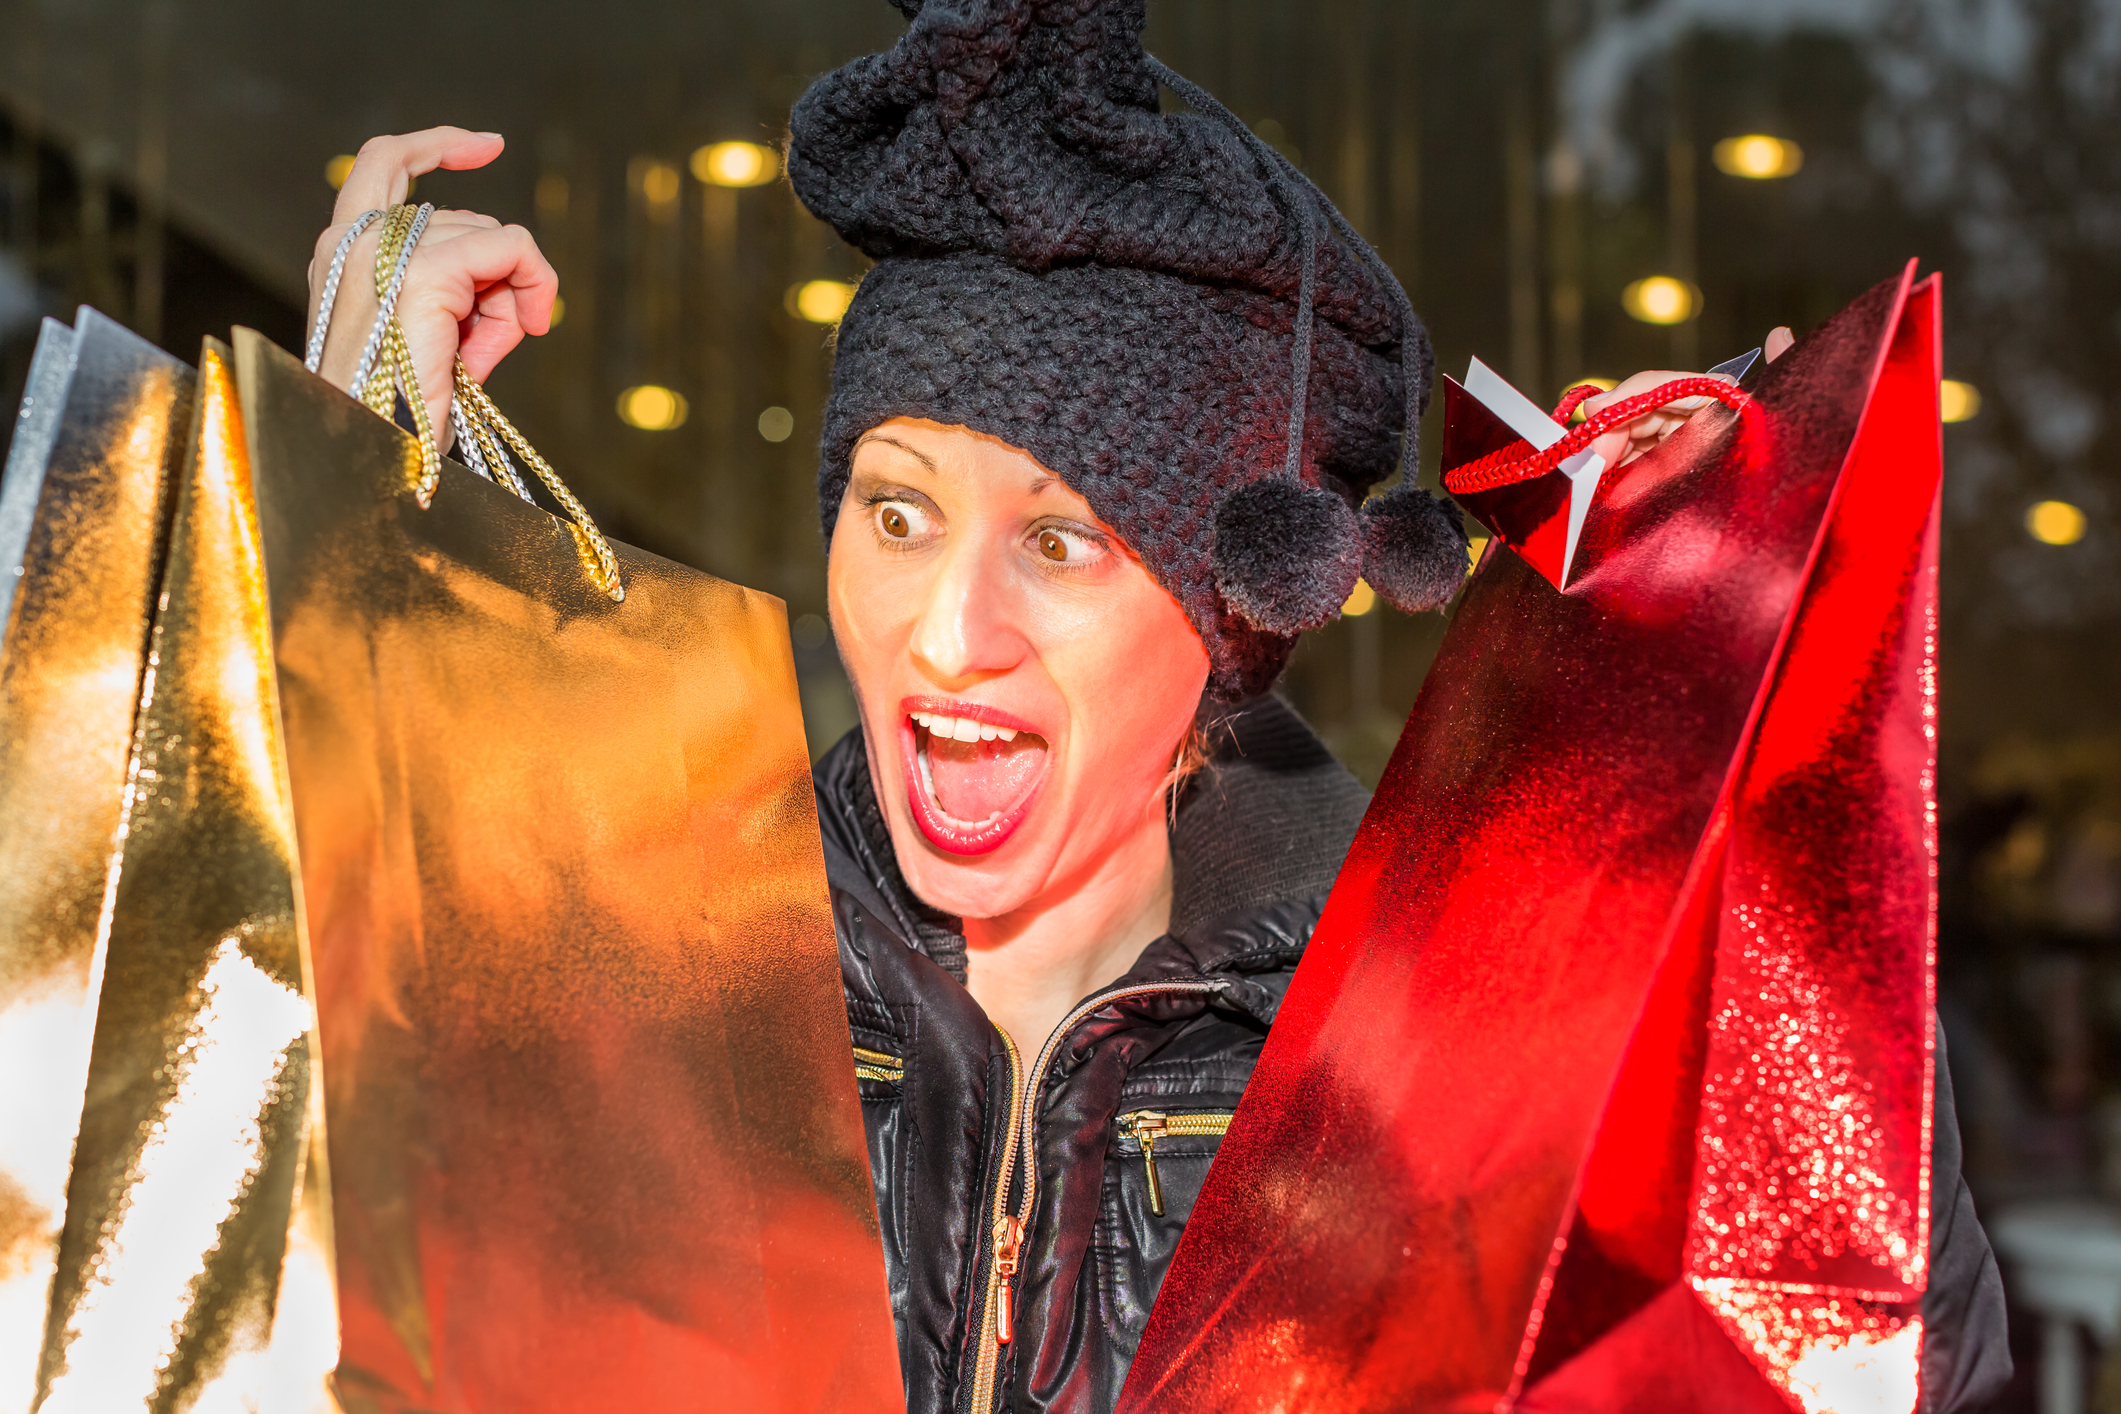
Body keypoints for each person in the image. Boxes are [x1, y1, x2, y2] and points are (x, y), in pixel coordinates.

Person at [307, 5, 2010, 1411]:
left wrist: (1749, 763)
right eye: (894, 510)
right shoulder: (639, 956)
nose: (946, 634)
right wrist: (306, 568)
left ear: (1224, 615)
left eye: (1060, 540)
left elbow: (1845, 1353)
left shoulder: (1430, 1044)